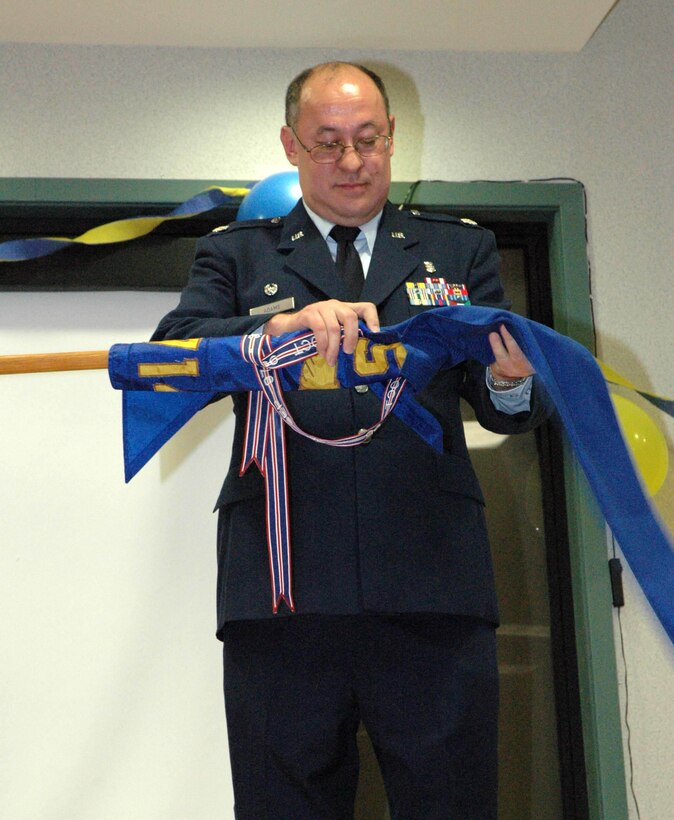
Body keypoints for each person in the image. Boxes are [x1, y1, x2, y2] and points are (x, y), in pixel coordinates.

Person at [152, 61, 549, 820]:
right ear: (291, 145)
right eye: (328, 143)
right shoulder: (237, 254)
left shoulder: (458, 251)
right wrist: (272, 329)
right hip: (282, 584)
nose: (353, 162)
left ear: (393, 138)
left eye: (368, 140)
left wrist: (509, 382)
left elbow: (503, 409)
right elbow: (174, 353)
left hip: (432, 583)